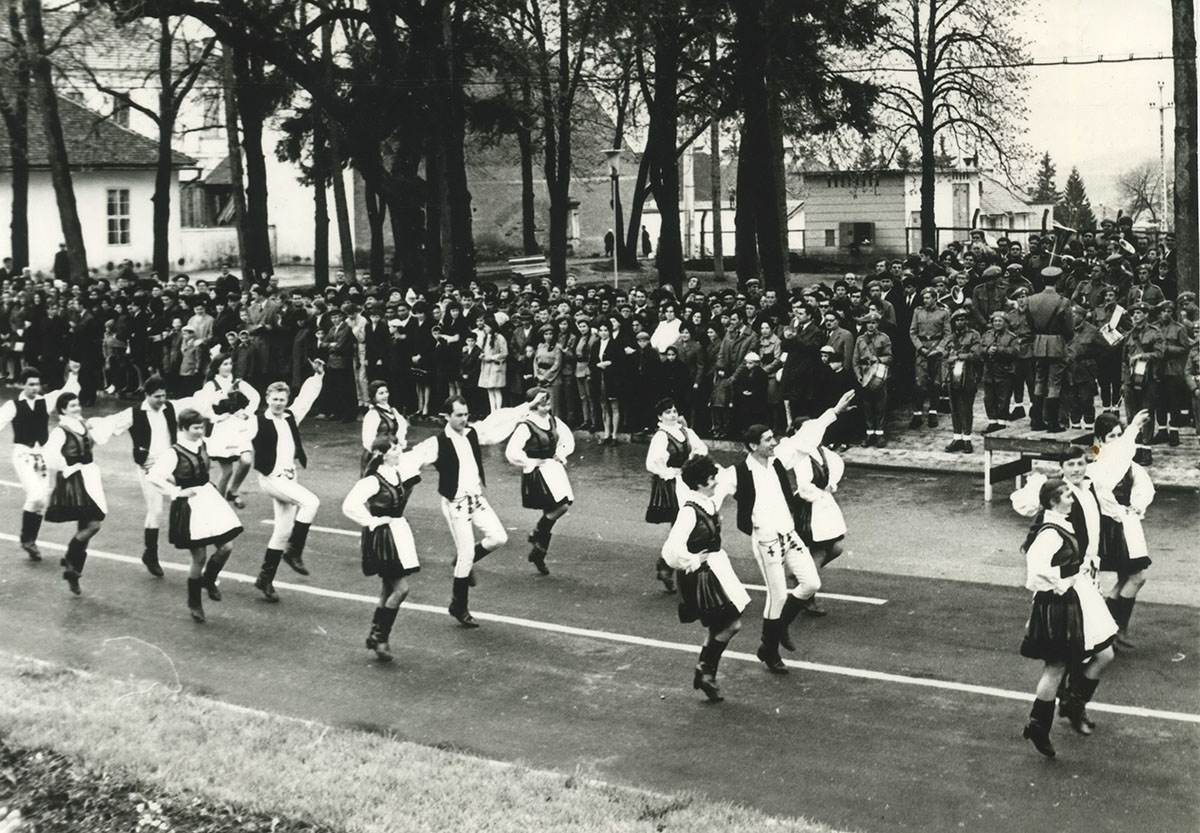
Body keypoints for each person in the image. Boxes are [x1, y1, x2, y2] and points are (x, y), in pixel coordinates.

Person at [408, 392, 543, 627]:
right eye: (458, 415)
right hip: (456, 504)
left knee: (499, 537)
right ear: (447, 416)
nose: (463, 419)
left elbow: (498, 423)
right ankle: (458, 605)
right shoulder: (437, 443)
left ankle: (463, 561)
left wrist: (528, 406)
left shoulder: (472, 433)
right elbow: (413, 458)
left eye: (466, 414)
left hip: (477, 499)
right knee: (467, 554)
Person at [1019, 479, 1117, 758]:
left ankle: (1074, 704)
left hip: (1078, 597)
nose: (1072, 500)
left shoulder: (1061, 522)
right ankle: (1039, 725)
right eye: (1067, 496)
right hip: (1059, 603)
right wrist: (1069, 577)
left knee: (1105, 653)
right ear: (1053, 502)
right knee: (1056, 666)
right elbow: (1036, 573)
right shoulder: (1050, 532)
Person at [88, 375, 199, 579]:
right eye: (157, 396)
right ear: (146, 395)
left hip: (171, 463)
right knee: (155, 510)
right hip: (148, 465)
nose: (161, 400)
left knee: (193, 497)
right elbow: (110, 424)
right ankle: (151, 553)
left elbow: (196, 402)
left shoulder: (171, 408)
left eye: (164, 395)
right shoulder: (134, 413)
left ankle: (194, 547)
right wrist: (90, 431)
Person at [661, 455, 751, 703]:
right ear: (700, 484)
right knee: (732, 624)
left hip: (716, 568)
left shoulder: (707, 501)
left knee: (719, 625)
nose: (715, 483)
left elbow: (728, 481)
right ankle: (706, 670)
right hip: (702, 575)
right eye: (711, 479)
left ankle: (706, 672)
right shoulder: (690, 511)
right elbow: (670, 550)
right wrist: (691, 560)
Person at [146, 408, 244, 623]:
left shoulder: (205, 444)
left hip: (208, 498)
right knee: (198, 556)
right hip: (189, 505)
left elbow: (231, 446)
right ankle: (194, 601)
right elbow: (154, 476)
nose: (200, 431)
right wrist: (176, 491)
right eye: (195, 428)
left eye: (202, 427)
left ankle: (208, 580)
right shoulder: (174, 452)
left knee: (227, 546)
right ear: (183, 428)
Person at [341, 435, 424, 661]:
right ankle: (380, 637)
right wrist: (372, 521)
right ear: (384, 454)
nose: (399, 451)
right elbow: (349, 505)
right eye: (395, 448)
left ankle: (376, 634)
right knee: (400, 589)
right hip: (384, 537)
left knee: (388, 590)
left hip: (396, 533)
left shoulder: (395, 473)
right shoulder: (373, 480)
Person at [249, 361, 326, 603]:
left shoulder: (291, 416)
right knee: (311, 503)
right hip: (271, 478)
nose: (279, 403)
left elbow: (305, 399)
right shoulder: (257, 420)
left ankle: (265, 578)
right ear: (267, 398)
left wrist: (317, 376)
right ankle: (294, 552)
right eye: (275, 399)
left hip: (289, 478)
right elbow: (239, 436)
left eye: (282, 399)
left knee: (282, 531)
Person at [780, 391, 857, 616]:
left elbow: (834, 465)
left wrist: (830, 485)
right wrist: (818, 496)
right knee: (819, 550)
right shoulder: (800, 454)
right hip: (808, 507)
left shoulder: (820, 451)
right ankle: (806, 596)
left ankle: (802, 577)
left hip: (822, 505)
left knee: (835, 547)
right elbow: (804, 486)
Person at [0, 362, 79, 561]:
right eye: (31, 384)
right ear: (22, 385)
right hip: (23, 455)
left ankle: (31, 541)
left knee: (42, 499)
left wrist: (74, 373)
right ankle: (26, 539)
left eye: (37, 384)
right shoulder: (13, 406)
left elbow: (67, 391)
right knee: (35, 495)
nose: (35, 388)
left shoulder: (45, 401)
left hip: (41, 456)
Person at [1089, 410, 1155, 649]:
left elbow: (1142, 483)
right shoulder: (1101, 462)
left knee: (1128, 577)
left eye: (1119, 435)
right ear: (1100, 440)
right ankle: (1116, 627)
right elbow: (1105, 493)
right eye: (1111, 436)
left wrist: (1138, 506)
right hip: (1113, 526)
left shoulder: (1123, 462)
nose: (1116, 441)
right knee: (1137, 576)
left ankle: (1109, 628)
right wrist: (1133, 428)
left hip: (1126, 523)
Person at [43, 392, 112, 595]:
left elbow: (99, 439)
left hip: (90, 477)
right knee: (93, 525)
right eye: (72, 405)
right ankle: (70, 557)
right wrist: (67, 467)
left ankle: (73, 573)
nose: (77, 408)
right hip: (75, 479)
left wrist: (95, 426)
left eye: (77, 404)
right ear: (63, 409)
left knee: (86, 525)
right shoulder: (61, 430)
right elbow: (49, 454)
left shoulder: (83, 424)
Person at [505, 387, 575, 576]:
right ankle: (538, 534)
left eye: (548, 399)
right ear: (534, 404)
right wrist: (529, 461)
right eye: (543, 400)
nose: (547, 403)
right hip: (537, 471)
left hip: (553, 468)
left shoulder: (553, 420)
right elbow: (512, 451)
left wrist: (561, 453)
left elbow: (567, 439)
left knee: (559, 505)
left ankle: (539, 552)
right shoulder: (526, 425)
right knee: (561, 506)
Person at [644, 397, 709, 590]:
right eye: (667, 412)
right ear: (660, 417)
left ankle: (667, 566)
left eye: (674, 411)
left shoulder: (686, 431)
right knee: (682, 525)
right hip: (672, 484)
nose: (672, 415)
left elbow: (701, 448)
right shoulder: (661, 436)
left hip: (687, 481)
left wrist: (692, 462)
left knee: (683, 526)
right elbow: (653, 461)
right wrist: (668, 472)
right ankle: (671, 566)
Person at [196, 353, 261, 508]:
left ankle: (233, 490)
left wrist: (246, 412)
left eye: (230, 363)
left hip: (238, 427)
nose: (228, 367)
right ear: (217, 366)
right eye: (224, 364)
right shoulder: (211, 385)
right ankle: (219, 504)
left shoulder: (238, 382)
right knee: (227, 471)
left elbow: (255, 397)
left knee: (246, 461)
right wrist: (215, 416)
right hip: (221, 430)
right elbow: (203, 404)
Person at [1024, 267, 1073, 432]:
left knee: (1039, 380)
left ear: (1043, 281)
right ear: (1058, 280)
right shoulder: (1063, 301)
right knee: (1055, 383)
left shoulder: (1031, 300)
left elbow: (1030, 324)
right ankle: (1053, 422)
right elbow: (1069, 328)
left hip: (1039, 342)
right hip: (1056, 343)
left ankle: (1036, 420)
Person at [944, 307, 983, 452]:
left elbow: (977, 354)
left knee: (966, 407)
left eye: (963, 319)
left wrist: (959, 356)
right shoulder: (950, 337)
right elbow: (944, 353)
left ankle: (967, 439)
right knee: (954, 407)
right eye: (958, 320)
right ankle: (957, 438)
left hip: (968, 375)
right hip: (952, 375)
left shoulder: (974, 335)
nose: (961, 322)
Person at [909, 288, 949, 430]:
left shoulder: (943, 313)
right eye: (924, 298)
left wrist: (939, 349)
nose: (925, 301)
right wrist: (920, 348)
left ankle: (933, 411)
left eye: (928, 298)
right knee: (919, 383)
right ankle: (918, 413)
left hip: (936, 349)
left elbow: (948, 334)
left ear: (934, 298)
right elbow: (913, 332)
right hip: (922, 351)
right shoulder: (918, 312)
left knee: (936, 382)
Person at [360, 380, 409, 474]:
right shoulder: (373, 414)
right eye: (381, 393)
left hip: (392, 454)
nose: (385, 395)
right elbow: (368, 441)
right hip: (377, 456)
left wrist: (398, 446)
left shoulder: (392, 411)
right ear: (374, 396)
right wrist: (381, 454)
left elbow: (402, 427)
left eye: (386, 392)